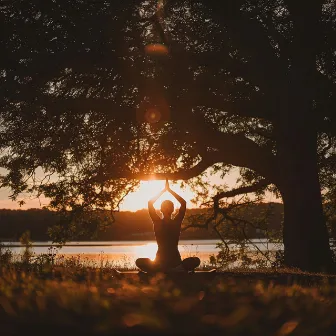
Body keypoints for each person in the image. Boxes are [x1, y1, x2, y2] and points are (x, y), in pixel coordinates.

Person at [136, 179, 200, 273]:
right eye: (165, 207)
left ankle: (160, 269)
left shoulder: (172, 222)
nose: (166, 208)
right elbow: (183, 203)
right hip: (165, 262)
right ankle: (175, 269)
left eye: (168, 206)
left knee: (196, 260)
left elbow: (183, 203)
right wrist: (167, 190)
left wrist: (167, 190)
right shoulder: (165, 222)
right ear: (162, 209)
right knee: (139, 261)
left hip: (171, 262)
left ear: (172, 209)